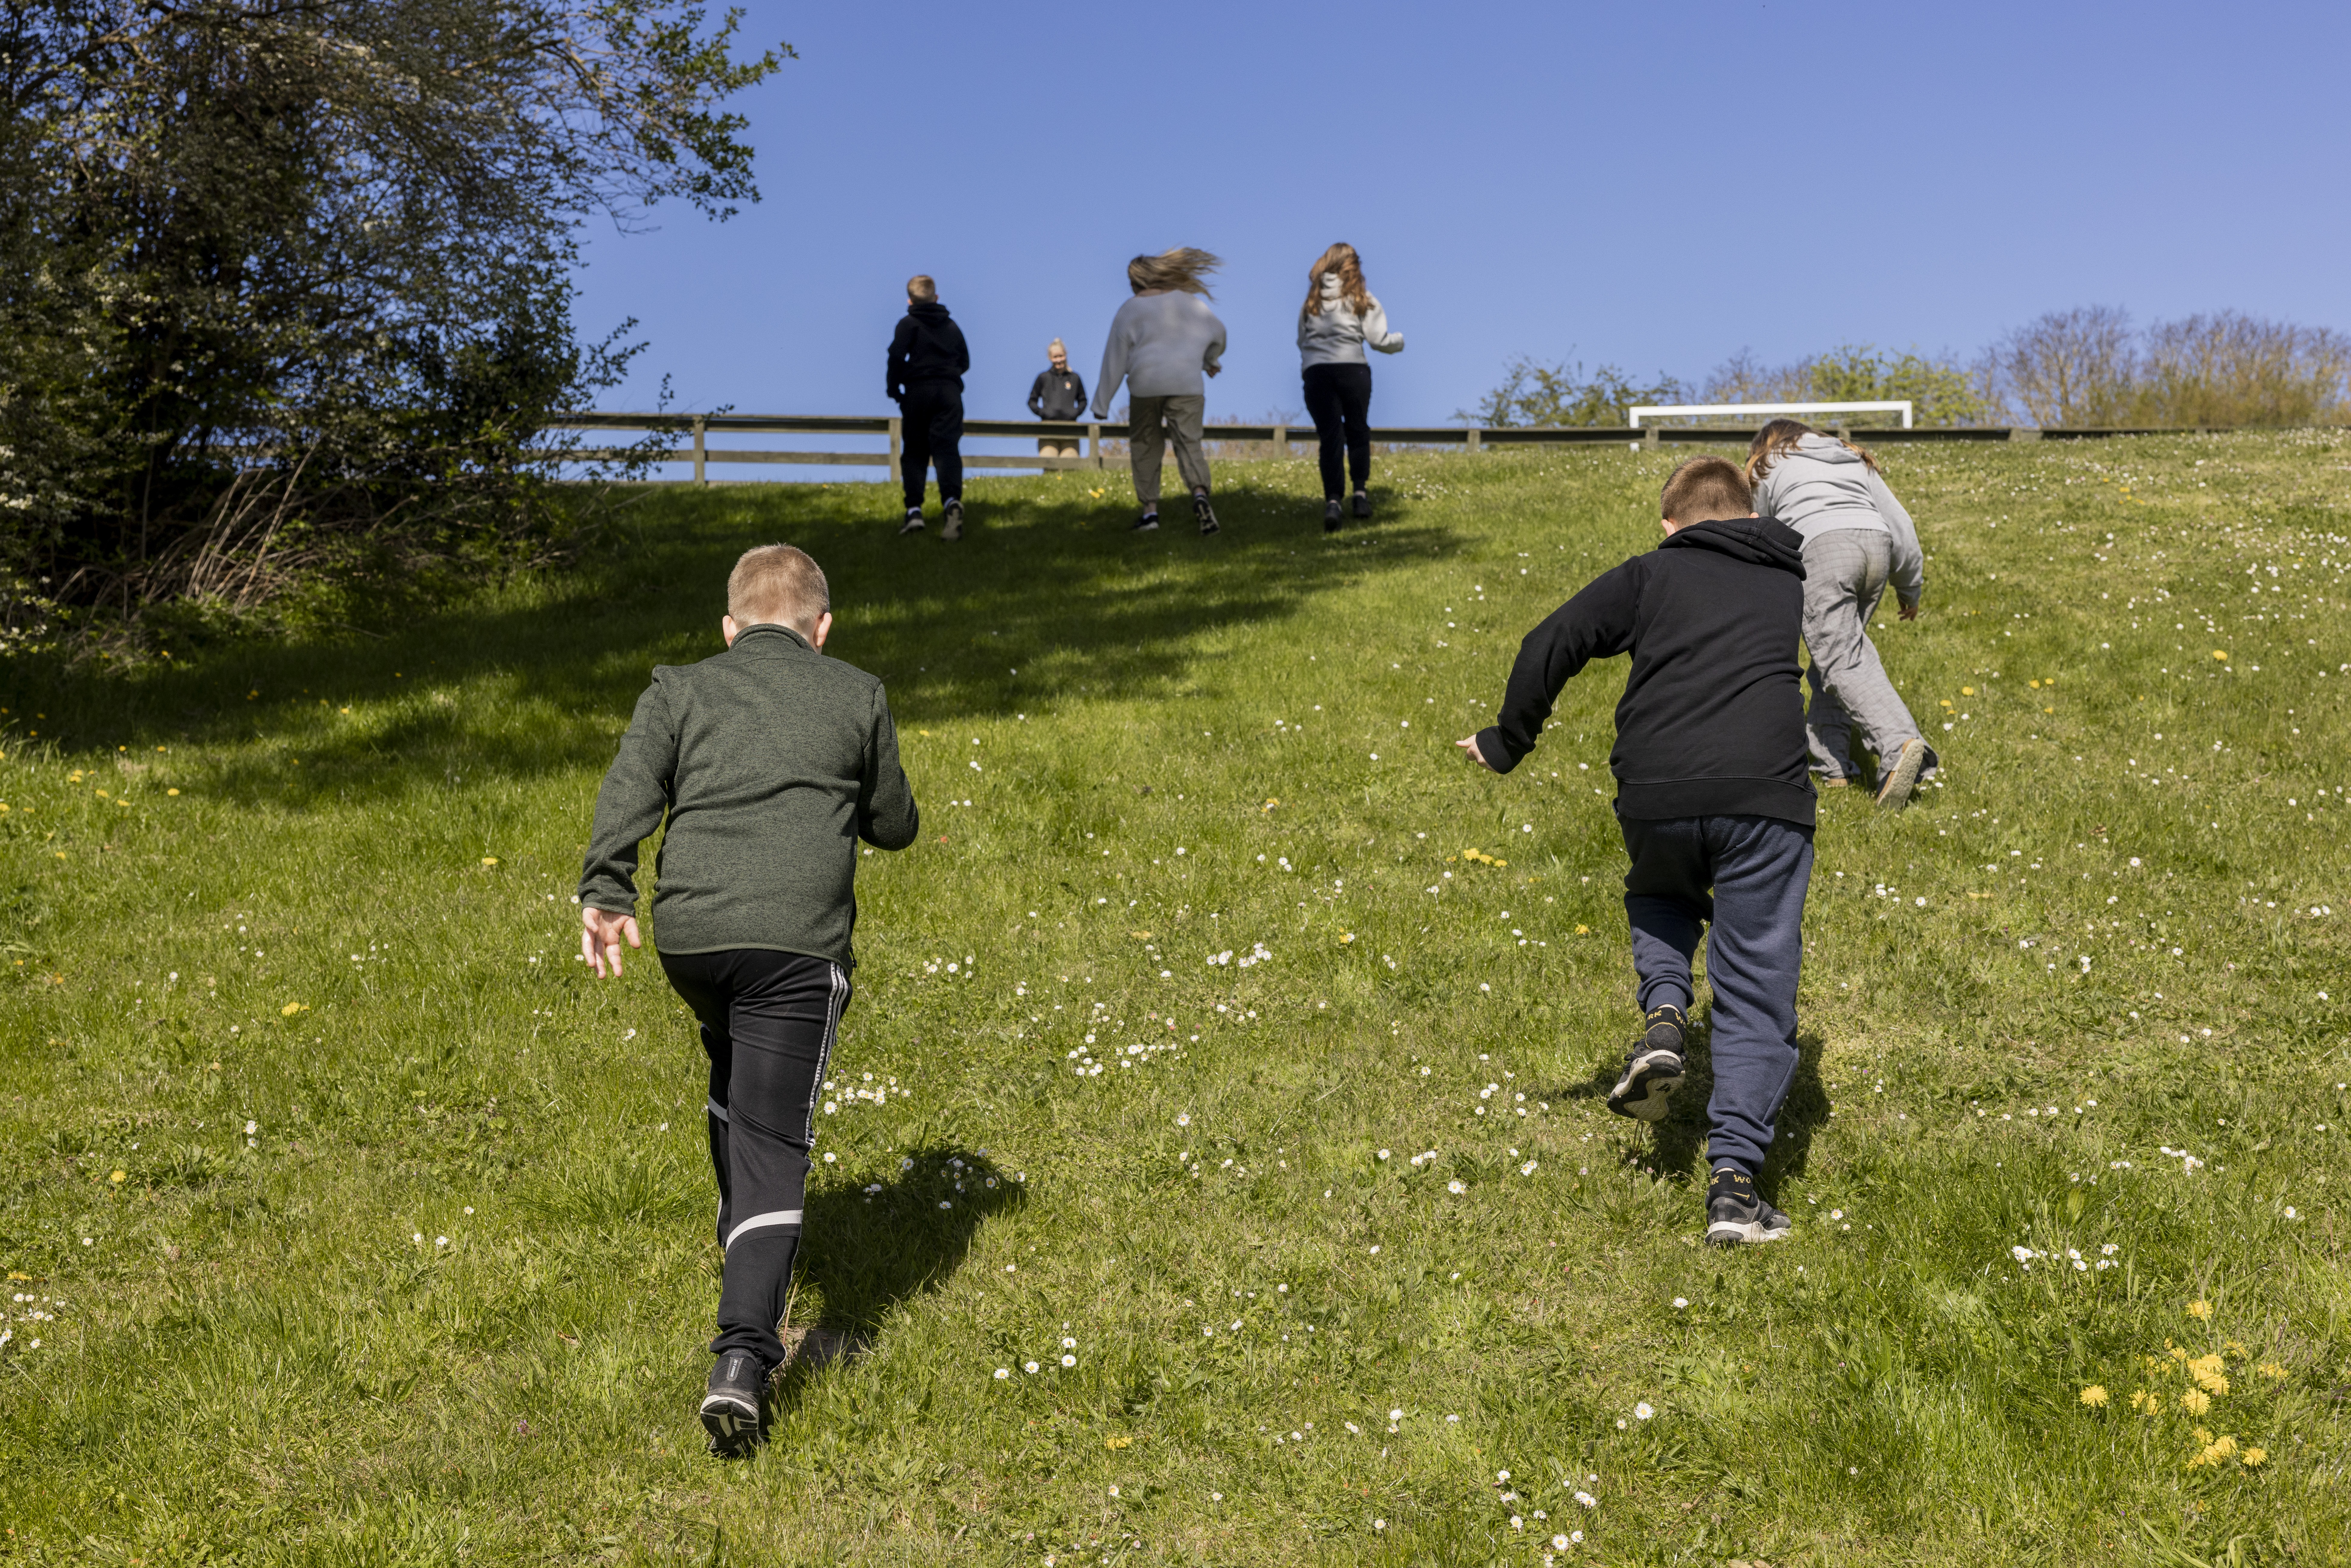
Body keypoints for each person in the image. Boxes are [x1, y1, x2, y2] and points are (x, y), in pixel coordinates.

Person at [576, 543, 920, 1455]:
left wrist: (605, 889)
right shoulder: (856, 690)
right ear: (822, 628)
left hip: (690, 939)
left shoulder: (679, 686)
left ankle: (744, 1243)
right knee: (774, 1140)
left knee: (735, 1076)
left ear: (729, 629)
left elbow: (631, 783)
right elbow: (895, 823)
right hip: (794, 948)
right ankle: (743, 1355)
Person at [1457, 456, 1812, 1248]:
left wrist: (1506, 741)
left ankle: (1663, 1016)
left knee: (1661, 893)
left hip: (1655, 788)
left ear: (1670, 524)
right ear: (1750, 514)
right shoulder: (1793, 575)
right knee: (1755, 984)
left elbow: (1553, 638)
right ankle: (1734, 1189)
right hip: (1765, 795)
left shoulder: (1651, 575)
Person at [1746, 420, 1933, 809]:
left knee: (1841, 659)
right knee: (1836, 659)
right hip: (1875, 547)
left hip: (1823, 546)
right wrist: (1909, 587)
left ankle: (1899, 743)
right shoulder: (1850, 457)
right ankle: (1834, 769)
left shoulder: (1767, 463)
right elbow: (1902, 524)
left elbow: (1757, 533)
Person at [1090, 247, 1226, 535]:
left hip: (1146, 385)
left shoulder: (1130, 309)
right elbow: (1218, 332)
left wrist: (1101, 404)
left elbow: (1114, 359)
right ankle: (1200, 495)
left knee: (1145, 446)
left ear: (1136, 282)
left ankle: (1150, 514)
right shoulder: (1189, 303)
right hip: (1187, 384)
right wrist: (1210, 361)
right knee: (1189, 443)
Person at [1296, 243, 1403, 532]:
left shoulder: (1312, 302)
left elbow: (1302, 341)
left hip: (1317, 373)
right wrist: (1400, 341)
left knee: (1331, 435)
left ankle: (1333, 501)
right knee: (1357, 430)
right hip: (1352, 370)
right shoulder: (1362, 298)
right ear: (1353, 266)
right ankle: (1360, 496)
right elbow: (1379, 340)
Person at [886, 275, 970, 541]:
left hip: (917, 392)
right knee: (947, 448)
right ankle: (951, 502)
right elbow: (965, 361)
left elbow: (896, 357)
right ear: (936, 298)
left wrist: (895, 388)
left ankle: (914, 512)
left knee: (915, 451)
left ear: (910, 300)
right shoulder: (952, 326)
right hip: (949, 392)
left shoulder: (908, 324)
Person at [1028, 339, 1087, 460]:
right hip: (1048, 431)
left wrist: (1074, 413)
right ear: (1050, 358)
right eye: (1055, 357)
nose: (1059, 360)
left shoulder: (1075, 378)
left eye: (1061, 356)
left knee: (1070, 467)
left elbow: (1083, 401)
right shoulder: (1043, 378)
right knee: (1049, 465)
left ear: (1066, 355)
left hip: (1071, 431)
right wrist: (1044, 413)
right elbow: (1032, 401)